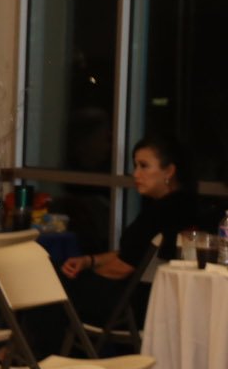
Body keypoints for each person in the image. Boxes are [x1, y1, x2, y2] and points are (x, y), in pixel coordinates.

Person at [59, 136, 199, 323]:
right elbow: (135, 254)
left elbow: (122, 268)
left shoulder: (161, 212)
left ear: (169, 171)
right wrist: (89, 261)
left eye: (144, 166)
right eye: (135, 166)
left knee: (49, 287)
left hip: (130, 306)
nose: (136, 174)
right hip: (157, 302)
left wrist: (87, 277)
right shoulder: (187, 206)